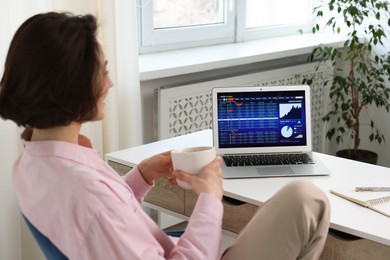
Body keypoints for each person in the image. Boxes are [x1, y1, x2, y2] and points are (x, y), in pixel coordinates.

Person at [0, 12, 330, 260]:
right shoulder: (87, 195)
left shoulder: (33, 162)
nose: (110, 84)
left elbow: (101, 224)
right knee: (307, 199)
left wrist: (141, 175)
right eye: (103, 71)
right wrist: (210, 199)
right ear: (71, 86)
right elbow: (99, 214)